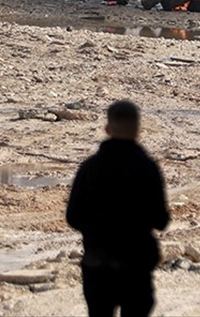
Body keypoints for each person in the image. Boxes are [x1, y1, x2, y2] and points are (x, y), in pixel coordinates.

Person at [66, 100, 170, 317]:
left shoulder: (90, 168)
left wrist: (96, 229)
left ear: (107, 129)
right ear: (138, 130)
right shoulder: (147, 168)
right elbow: (161, 219)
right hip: (136, 266)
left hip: (98, 266)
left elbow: (73, 217)